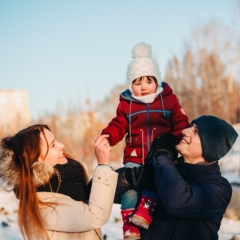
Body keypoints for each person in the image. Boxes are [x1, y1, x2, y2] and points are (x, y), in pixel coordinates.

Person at [100, 42, 190, 239]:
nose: (143, 88)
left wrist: (172, 141)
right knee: (129, 187)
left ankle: (145, 212)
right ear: (131, 85)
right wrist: (108, 135)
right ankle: (129, 224)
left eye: (148, 82)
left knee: (157, 180)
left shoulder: (169, 99)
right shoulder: (127, 104)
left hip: (161, 154)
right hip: (135, 154)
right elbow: (118, 125)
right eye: (137, 83)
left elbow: (181, 123)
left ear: (157, 81)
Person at [118, 115, 238, 240]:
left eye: (196, 131)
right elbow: (106, 189)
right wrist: (131, 176)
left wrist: (162, 154)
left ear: (210, 146)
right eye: (190, 126)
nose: (185, 131)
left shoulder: (219, 188)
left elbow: (177, 201)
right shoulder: (165, 170)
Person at [0, 124, 118, 240]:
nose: (62, 145)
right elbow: (95, 215)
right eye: (53, 145)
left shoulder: (67, 183)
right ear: (37, 163)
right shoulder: (41, 205)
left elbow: (83, 205)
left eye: (56, 141)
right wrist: (103, 165)